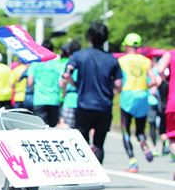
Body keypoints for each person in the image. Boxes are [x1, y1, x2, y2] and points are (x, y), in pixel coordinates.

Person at [64, 22, 122, 163]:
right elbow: (119, 85)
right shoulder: (112, 60)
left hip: (85, 104)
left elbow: (66, 75)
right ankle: (98, 173)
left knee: (81, 141)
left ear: (89, 38)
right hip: (104, 106)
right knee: (99, 143)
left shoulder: (78, 56)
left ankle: (84, 172)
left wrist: (76, 85)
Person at [117, 33, 157, 172]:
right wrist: (145, 87)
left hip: (128, 95)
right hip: (142, 95)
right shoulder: (146, 61)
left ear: (126, 45)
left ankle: (133, 161)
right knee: (140, 131)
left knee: (126, 131)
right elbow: (154, 80)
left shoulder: (122, 60)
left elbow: (117, 80)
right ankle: (145, 147)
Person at [28, 40, 62, 127]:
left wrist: (35, 90)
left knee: (40, 129)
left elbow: (30, 82)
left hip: (39, 100)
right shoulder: (57, 65)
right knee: (52, 128)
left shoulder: (35, 64)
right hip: (54, 99)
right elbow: (61, 84)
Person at [59, 40, 81, 128]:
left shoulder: (66, 64)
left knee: (68, 129)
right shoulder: (83, 62)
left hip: (69, 99)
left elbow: (64, 80)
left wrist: (63, 93)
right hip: (82, 100)